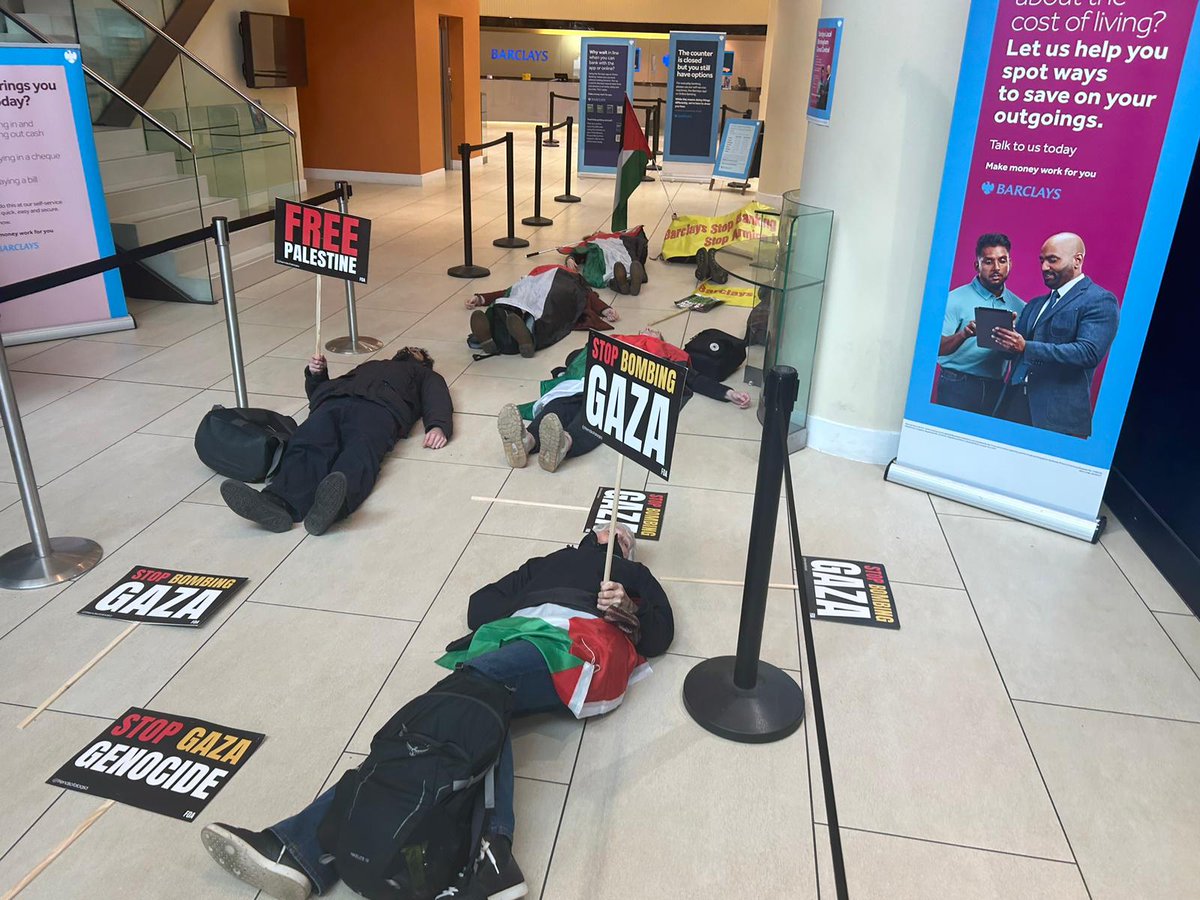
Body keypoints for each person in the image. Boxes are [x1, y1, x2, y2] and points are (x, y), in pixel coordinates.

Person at [199, 524, 672, 900]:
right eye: (609, 528)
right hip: (518, 639)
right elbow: (480, 606)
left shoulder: (631, 575)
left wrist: (628, 610)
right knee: (470, 715)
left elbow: (661, 634)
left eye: (625, 536)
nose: (617, 533)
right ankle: (487, 862)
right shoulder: (543, 564)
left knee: (462, 698)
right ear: (587, 534)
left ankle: (301, 847)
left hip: (582, 645)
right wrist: (531, 600)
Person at [220, 348, 452, 535]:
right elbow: (317, 392)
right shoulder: (369, 365)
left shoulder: (423, 375)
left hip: (380, 409)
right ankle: (276, 502)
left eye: (416, 351)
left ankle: (334, 504)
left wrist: (437, 425)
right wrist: (317, 375)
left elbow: (437, 396)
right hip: (334, 400)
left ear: (424, 362)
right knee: (308, 441)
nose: (409, 350)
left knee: (359, 450)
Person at [497, 328, 752, 472]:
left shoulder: (670, 354)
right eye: (645, 330)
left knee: (597, 412)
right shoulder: (621, 339)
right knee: (560, 403)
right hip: (592, 378)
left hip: (625, 388)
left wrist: (728, 393)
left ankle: (565, 443)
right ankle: (527, 441)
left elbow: (694, 379)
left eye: (653, 332)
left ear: (661, 339)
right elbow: (581, 354)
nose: (648, 331)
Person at [992, 232, 1120, 438]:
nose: (1044, 267)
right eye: (1042, 260)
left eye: (1052, 260)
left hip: (1056, 417)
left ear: (1077, 260)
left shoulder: (1100, 300)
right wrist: (1001, 336)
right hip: (1012, 404)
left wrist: (1026, 346)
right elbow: (1014, 352)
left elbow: (1088, 353)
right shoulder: (1035, 304)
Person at [935, 233, 1025, 415]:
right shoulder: (954, 299)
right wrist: (964, 334)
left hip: (996, 388)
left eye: (1002, 261)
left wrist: (1013, 343)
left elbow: (1021, 356)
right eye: (988, 262)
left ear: (1010, 263)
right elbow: (936, 348)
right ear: (977, 265)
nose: (996, 268)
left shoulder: (1020, 307)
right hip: (956, 384)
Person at [464, 258, 619, 359]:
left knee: (515, 299)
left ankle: (493, 330)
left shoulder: (547, 271)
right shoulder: (574, 276)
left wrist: (481, 298)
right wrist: (605, 309)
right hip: (557, 285)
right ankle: (528, 335)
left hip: (537, 282)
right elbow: (587, 295)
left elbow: (508, 290)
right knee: (542, 309)